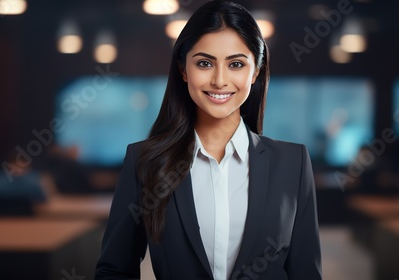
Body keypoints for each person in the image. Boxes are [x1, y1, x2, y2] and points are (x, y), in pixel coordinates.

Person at [95, 1, 322, 279]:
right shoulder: (145, 162)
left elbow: (306, 273)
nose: (219, 80)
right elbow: (114, 270)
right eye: (205, 63)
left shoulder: (293, 163)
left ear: (255, 72)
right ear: (183, 69)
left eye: (236, 64)